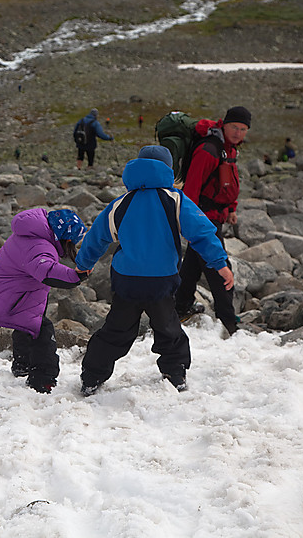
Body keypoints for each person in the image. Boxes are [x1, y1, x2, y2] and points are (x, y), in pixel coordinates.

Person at [75, 145, 233, 395]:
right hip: (161, 281)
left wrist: (84, 264)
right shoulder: (176, 201)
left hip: (127, 281)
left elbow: (97, 236)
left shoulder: (122, 203)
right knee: (168, 328)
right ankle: (175, 373)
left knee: (116, 330)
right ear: (168, 171)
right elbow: (202, 234)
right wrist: (220, 264)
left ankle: (92, 377)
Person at [0, 208, 90, 393]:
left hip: (9, 294)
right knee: (41, 330)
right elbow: (46, 270)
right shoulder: (39, 245)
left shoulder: (31, 235)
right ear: (65, 237)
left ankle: (22, 366)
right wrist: (75, 276)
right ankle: (43, 380)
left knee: (28, 325)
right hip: (11, 299)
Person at [174, 106, 250, 335]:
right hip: (204, 220)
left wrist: (231, 208)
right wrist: (191, 223)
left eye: (243, 129)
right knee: (219, 268)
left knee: (192, 266)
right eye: (234, 127)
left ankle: (179, 306)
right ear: (224, 125)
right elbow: (192, 190)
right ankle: (229, 322)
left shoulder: (228, 149)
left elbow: (227, 182)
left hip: (214, 216)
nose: (238, 132)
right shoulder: (209, 150)